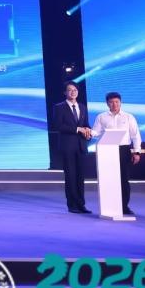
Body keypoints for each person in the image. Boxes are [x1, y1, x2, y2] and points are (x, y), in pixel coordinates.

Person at [90, 92, 142, 216]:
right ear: (107, 103)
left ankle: (124, 206)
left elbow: (135, 135)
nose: (114, 104)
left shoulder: (128, 117)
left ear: (120, 102)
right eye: (111, 102)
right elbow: (96, 132)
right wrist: (88, 132)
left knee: (124, 179)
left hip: (123, 150)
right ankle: (110, 206)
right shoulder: (101, 117)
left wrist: (137, 152)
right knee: (109, 178)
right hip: (107, 150)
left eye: (117, 102)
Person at [51, 81, 92, 214]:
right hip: (67, 146)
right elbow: (58, 126)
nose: (73, 92)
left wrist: (88, 130)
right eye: (70, 90)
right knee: (70, 176)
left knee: (80, 176)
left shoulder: (82, 107)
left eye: (75, 90)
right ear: (65, 92)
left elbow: (85, 124)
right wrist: (77, 129)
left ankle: (81, 205)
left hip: (81, 146)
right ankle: (72, 205)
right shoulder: (59, 107)